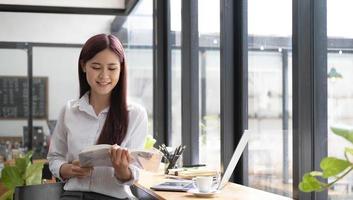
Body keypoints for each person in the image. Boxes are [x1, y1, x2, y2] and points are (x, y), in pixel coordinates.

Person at [47, 34, 148, 200]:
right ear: (83, 66)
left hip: (114, 196)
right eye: (96, 67)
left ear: (121, 68)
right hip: (73, 195)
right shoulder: (69, 110)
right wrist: (67, 169)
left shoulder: (135, 114)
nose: (104, 75)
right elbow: (55, 157)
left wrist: (122, 169)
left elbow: (134, 175)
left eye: (112, 68)